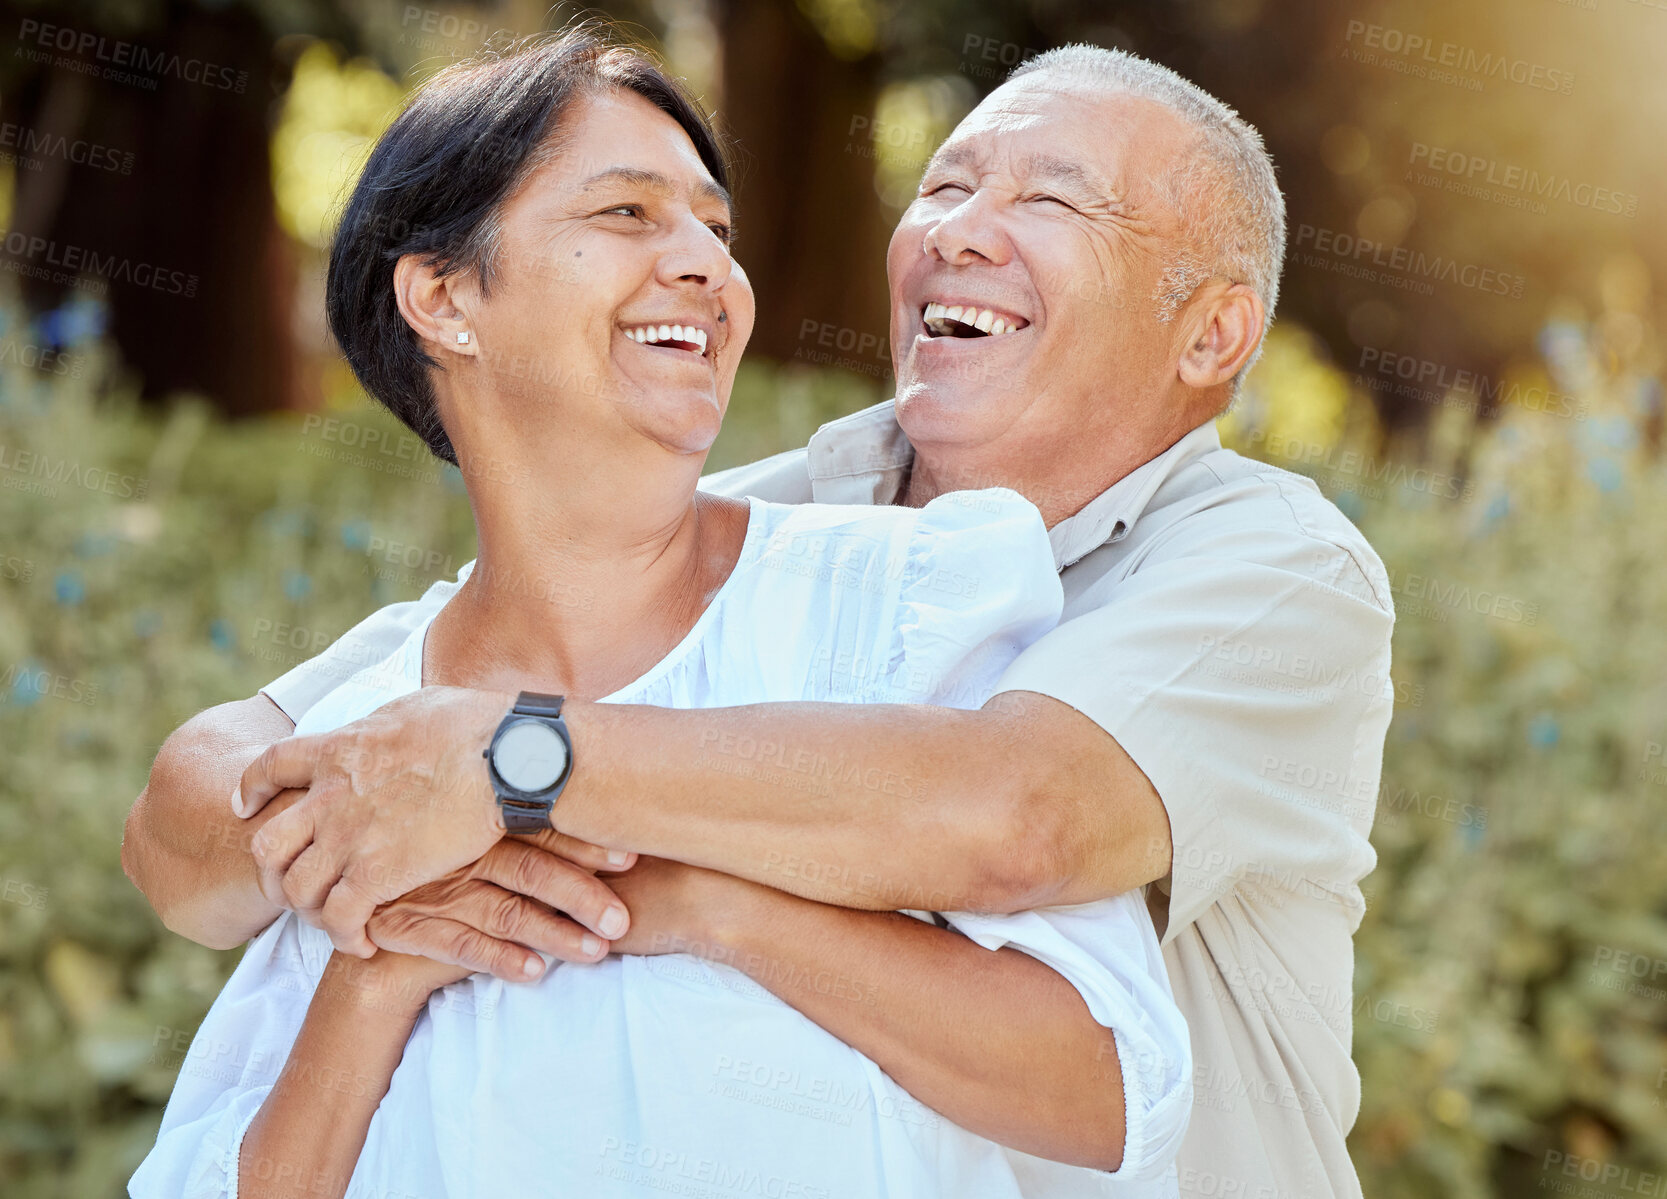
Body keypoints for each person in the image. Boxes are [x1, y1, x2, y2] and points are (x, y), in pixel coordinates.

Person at [125, 37, 1396, 1199]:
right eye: (944, 187)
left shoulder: (1273, 569)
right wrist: (375, 894)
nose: (958, 231)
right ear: (442, 300)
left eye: (1049, 199)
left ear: (1211, 331)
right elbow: (255, 778)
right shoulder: (749, 529)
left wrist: (527, 776)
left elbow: (1021, 816)